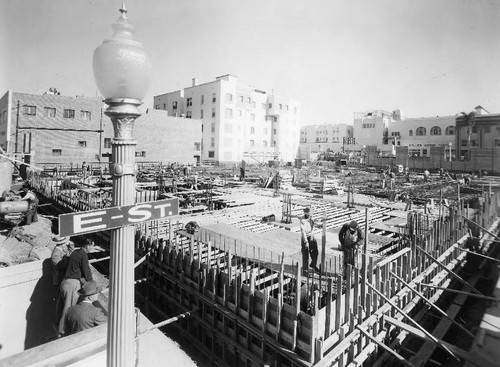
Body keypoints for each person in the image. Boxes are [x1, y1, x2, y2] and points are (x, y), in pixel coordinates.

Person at [57, 238, 95, 336]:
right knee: (68, 309)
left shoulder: (75, 252)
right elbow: (86, 271)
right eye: (92, 246)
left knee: (62, 307)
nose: (93, 248)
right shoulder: (83, 255)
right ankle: (62, 332)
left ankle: (60, 326)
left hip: (65, 282)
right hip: (72, 285)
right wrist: (92, 285)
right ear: (87, 246)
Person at [300, 207, 319, 273]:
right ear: (306, 214)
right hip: (306, 236)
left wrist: (319, 225)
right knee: (305, 254)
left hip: (312, 235)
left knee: (315, 252)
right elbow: (303, 232)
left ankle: (313, 265)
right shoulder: (303, 220)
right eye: (309, 214)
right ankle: (305, 270)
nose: (310, 215)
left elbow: (314, 223)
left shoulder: (311, 217)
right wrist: (305, 242)